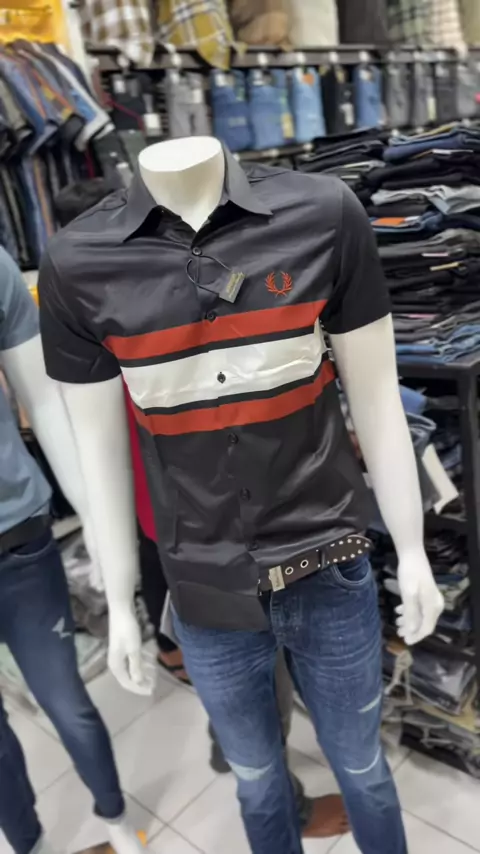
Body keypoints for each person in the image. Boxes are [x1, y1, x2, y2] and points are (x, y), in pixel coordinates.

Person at [39, 138, 444, 854]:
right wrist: (123, 602)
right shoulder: (78, 262)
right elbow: (98, 456)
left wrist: (412, 551)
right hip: (204, 589)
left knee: (361, 767)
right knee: (256, 778)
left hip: (329, 563)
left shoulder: (323, 214)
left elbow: (378, 399)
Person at [52, 178, 350, 840]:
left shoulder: (135, 295)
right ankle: (279, 791)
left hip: (171, 518)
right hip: (189, 524)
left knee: (230, 651)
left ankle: (241, 748)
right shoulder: (97, 303)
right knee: (254, 666)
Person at [0, 246, 145, 854]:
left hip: (18, 539)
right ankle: (25, 841)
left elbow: (44, 404)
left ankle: (115, 821)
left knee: (67, 701)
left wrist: (96, 524)